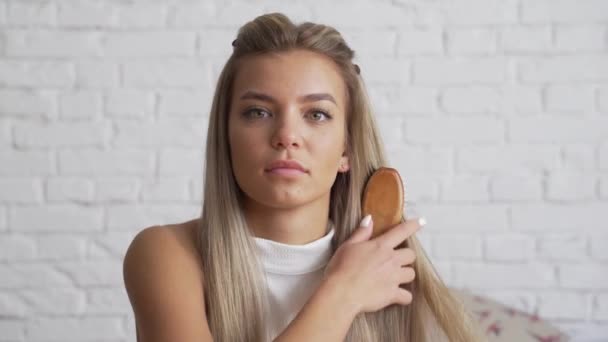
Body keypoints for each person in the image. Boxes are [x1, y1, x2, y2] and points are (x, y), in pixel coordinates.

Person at [123, 12, 483, 342]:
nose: (286, 135)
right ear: (226, 137)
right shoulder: (167, 254)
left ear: (347, 150)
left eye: (317, 115)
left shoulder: (388, 271)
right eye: (258, 112)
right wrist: (343, 293)